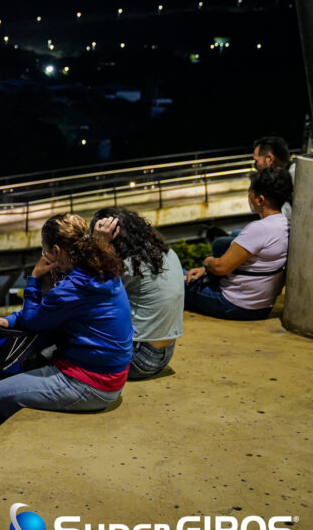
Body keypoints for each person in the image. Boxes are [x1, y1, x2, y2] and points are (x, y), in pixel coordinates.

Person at [0, 213, 132, 430]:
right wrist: (11, 320)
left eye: (45, 250)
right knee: (5, 386)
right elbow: (51, 312)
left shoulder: (73, 287)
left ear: (57, 251)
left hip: (89, 383)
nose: (44, 256)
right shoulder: (101, 269)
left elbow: (34, 321)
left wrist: (34, 278)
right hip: (109, 376)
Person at [186, 168, 291, 320]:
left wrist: (207, 262)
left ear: (260, 200)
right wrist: (206, 269)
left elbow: (221, 267)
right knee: (226, 241)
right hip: (262, 306)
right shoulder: (285, 223)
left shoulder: (259, 229)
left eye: (250, 192)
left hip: (235, 305)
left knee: (177, 278)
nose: (248, 196)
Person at [91, 207, 184, 379]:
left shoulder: (128, 265)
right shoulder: (168, 253)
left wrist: (99, 246)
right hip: (164, 354)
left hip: (138, 359)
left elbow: (90, 295)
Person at [213, 137, 294, 255]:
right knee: (236, 233)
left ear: (269, 158)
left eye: (256, 161)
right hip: (276, 232)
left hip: (277, 237)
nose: (255, 165)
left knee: (219, 244)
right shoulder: (281, 177)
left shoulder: (290, 178)